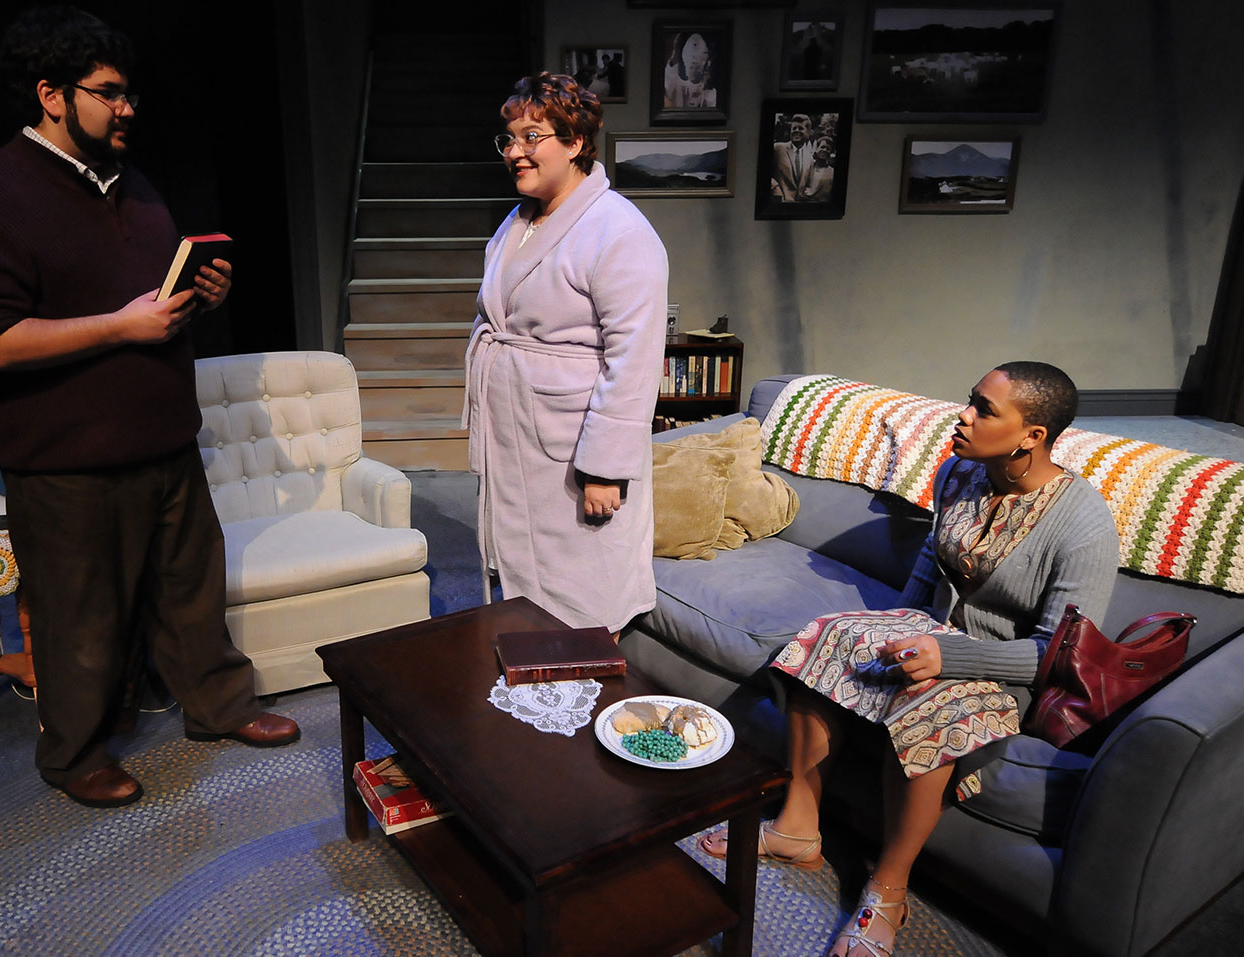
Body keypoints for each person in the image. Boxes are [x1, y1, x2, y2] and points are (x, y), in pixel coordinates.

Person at [0, 6, 298, 810]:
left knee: (191, 593)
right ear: (51, 95)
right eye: (110, 93)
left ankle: (219, 704)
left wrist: (199, 294)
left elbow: (145, 300)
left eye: (130, 93)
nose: (128, 107)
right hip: (67, 460)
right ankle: (75, 751)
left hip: (163, 440)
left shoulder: (132, 183)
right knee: (81, 617)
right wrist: (119, 326)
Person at [699, 362, 1118, 957]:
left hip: (1008, 671)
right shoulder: (960, 472)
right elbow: (933, 557)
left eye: (985, 411)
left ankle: (888, 888)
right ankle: (796, 827)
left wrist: (946, 654)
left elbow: (1055, 653)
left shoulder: (1084, 523)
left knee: (934, 706)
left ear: (1034, 436)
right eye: (970, 400)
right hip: (930, 634)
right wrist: (889, 627)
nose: (964, 416)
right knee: (827, 637)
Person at [465, 72, 668, 636]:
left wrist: (605, 468)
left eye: (532, 136)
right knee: (519, 569)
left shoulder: (619, 230)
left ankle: (589, 706)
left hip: (573, 439)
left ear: (575, 142)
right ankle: (526, 683)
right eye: (508, 139)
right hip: (518, 433)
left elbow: (635, 358)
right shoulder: (518, 221)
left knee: (584, 584)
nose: (516, 152)